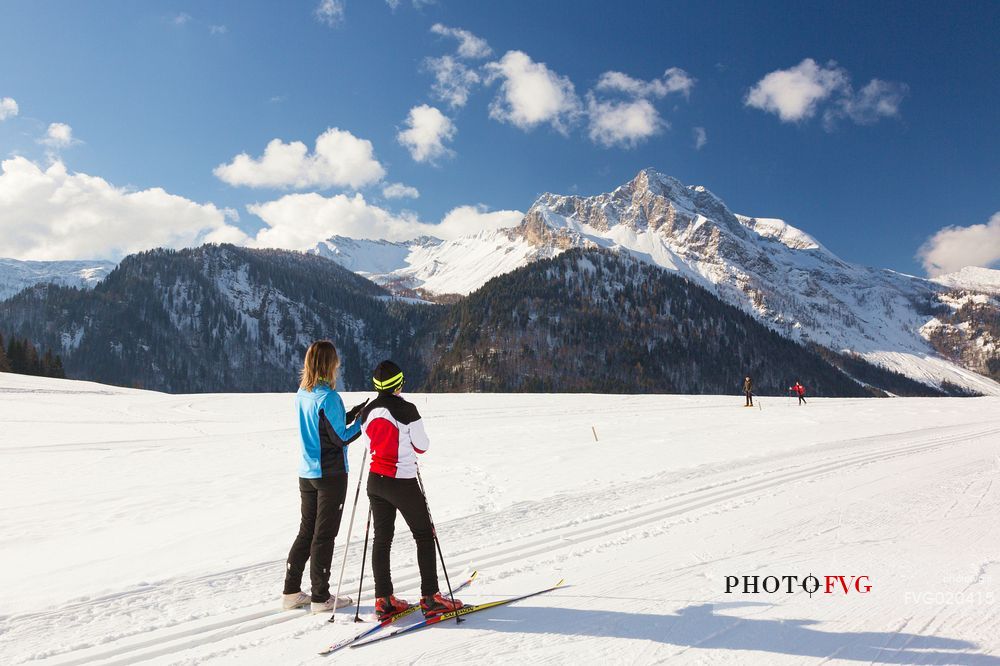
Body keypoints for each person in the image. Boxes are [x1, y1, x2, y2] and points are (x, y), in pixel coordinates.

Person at [359, 360, 464, 620]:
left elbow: (369, 441)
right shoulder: (407, 409)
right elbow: (422, 445)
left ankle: (384, 600)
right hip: (402, 481)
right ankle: (431, 598)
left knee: (382, 540)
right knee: (424, 535)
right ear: (399, 384)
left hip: (376, 481)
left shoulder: (367, 410)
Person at [281, 340, 368, 613]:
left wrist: (351, 414)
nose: (339, 365)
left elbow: (326, 426)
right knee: (324, 535)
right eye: (336, 361)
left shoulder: (303, 393)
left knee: (307, 531)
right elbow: (341, 437)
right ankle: (321, 597)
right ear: (329, 365)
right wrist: (363, 422)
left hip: (307, 472)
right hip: (330, 474)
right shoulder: (329, 398)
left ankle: (291, 591)